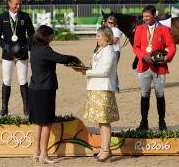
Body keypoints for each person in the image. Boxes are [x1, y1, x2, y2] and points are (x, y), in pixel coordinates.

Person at [29, 25, 81, 164]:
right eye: (51, 36)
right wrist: (74, 58)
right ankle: (44, 155)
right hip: (45, 89)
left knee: (38, 123)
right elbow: (61, 58)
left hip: (34, 88)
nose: (52, 38)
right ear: (46, 36)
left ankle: (36, 153)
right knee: (46, 123)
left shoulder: (34, 48)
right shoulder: (45, 50)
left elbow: (54, 59)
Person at [74, 26, 119, 162]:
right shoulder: (100, 50)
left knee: (104, 121)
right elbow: (96, 67)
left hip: (103, 89)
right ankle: (105, 149)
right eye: (96, 36)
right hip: (95, 88)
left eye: (99, 36)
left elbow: (104, 71)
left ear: (106, 37)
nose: (97, 38)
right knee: (100, 121)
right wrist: (84, 67)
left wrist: (85, 72)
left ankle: (106, 150)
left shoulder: (109, 51)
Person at [133, 5, 176, 131]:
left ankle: (162, 122)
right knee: (144, 94)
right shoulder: (140, 29)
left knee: (159, 94)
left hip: (159, 67)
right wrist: (143, 56)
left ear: (154, 15)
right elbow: (136, 47)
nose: (145, 18)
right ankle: (144, 122)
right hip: (144, 66)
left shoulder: (164, 29)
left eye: (147, 16)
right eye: (144, 16)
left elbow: (172, 47)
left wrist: (167, 58)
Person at [0, 0, 35, 116]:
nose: (18, 6)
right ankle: (4, 109)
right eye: (16, 3)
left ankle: (26, 109)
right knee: (6, 80)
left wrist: (27, 46)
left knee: (23, 80)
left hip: (22, 54)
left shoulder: (25, 16)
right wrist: (4, 45)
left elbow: (32, 34)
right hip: (7, 54)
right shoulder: (2, 17)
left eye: (20, 3)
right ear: (9, 4)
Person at [105, 16, 123, 92]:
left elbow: (114, 40)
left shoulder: (116, 30)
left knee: (113, 69)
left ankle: (115, 87)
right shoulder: (106, 30)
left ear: (114, 23)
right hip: (107, 51)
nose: (110, 24)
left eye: (112, 22)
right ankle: (111, 86)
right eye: (109, 22)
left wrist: (104, 42)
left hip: (115, 51)